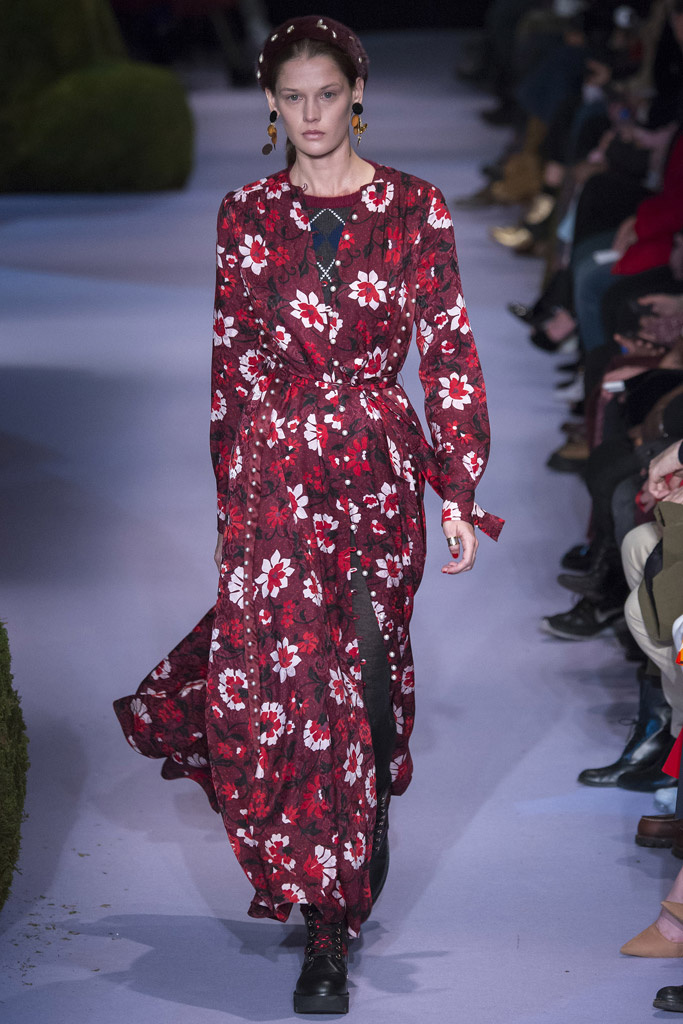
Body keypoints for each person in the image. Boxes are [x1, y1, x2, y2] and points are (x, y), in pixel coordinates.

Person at [113, 14, 502, 1015]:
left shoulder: (414, 207)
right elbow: (232, 366)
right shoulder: (245, 214)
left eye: (326, 94)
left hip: (376, 472)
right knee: (298, 691)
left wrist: (457, 489)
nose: (311, 114)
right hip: (277, 472)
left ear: (355, 93)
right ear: (270, 104)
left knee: (367, 682)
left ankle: (351, 842)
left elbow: (449, 351)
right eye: (292, 98)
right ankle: (329, 920)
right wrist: (227, 503)